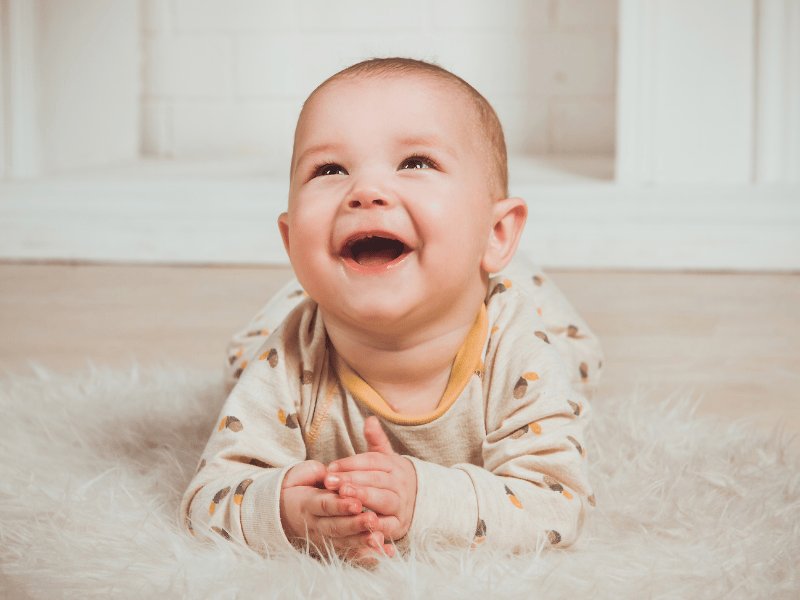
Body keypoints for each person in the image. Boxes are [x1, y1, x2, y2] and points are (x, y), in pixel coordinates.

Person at [181, 58, 603, 562]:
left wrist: (424, 497)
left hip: (516, 304)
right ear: (292, 242)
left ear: (497, 232)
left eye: (415, 163)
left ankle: (506, 265)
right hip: (319, 294)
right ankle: (317, 281)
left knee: (577, 361)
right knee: (243, 359)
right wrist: (286, 512)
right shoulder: (291, 358)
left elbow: (557, 504)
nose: (365, 192)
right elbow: (208, 499)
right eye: (329, 170)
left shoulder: (518, 348)